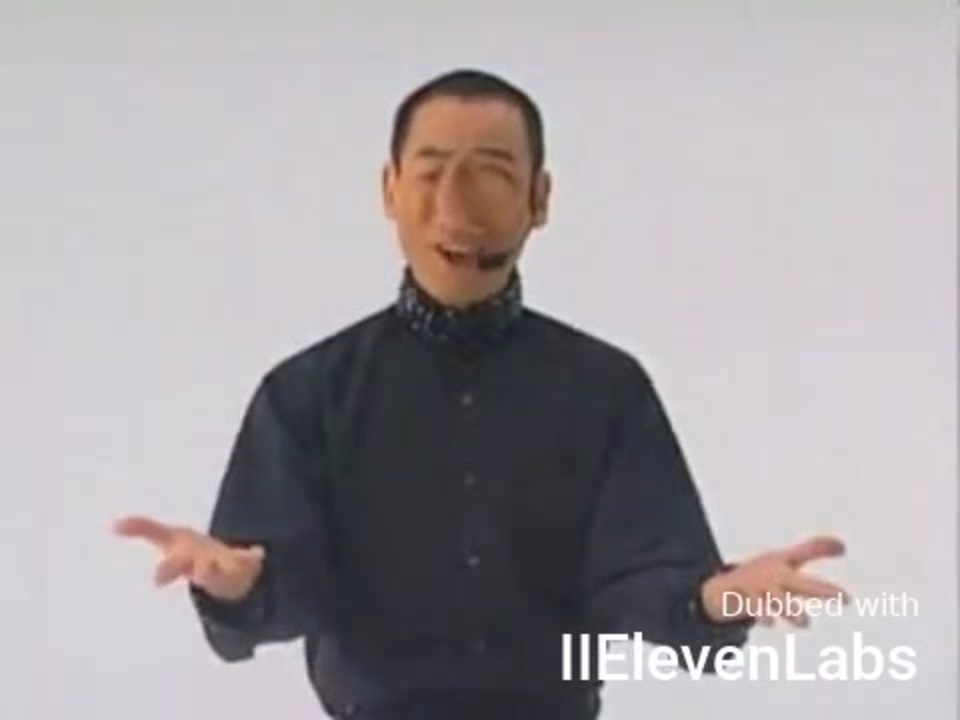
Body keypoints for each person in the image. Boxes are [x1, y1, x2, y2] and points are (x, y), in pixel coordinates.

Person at [115, 68, 849, 720]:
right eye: (431, 172)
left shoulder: (605, 388)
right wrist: (238, 587)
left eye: (492, 174)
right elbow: (284, 584)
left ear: (540, 198)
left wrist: (715, 599)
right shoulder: (307, 393)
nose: (458, 205)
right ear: (389, 189)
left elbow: (643, 580)